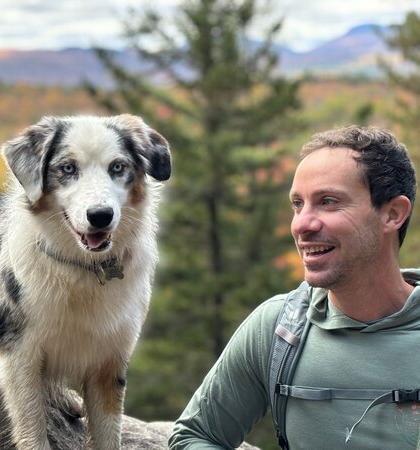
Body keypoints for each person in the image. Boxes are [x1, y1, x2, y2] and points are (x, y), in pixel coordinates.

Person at [168, 125, 420, 449]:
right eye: (298, 204)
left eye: (328, 202)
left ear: (392, 214)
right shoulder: (279, 329)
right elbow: (195, 437)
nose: (302, 224)